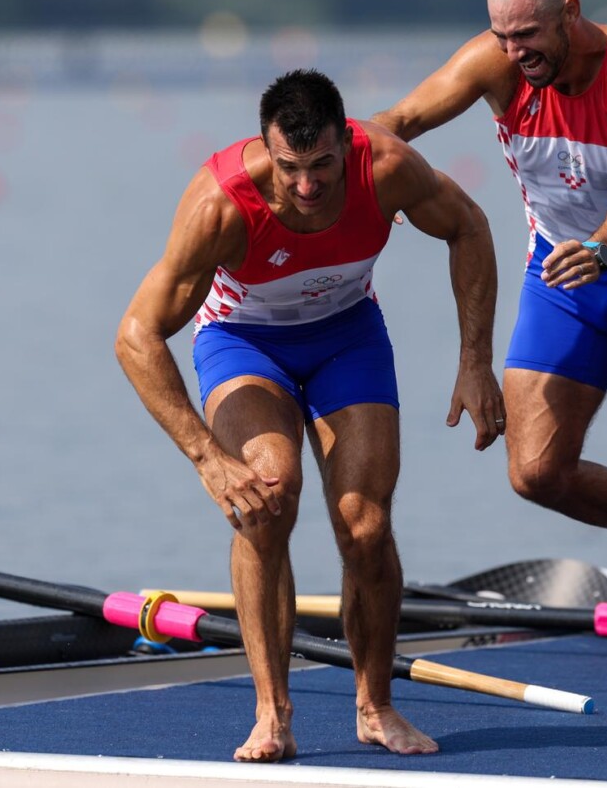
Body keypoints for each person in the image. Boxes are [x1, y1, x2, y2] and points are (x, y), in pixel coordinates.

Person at [114, 69, 503, 762]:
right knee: (266, 499)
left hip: (346, 336)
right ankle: (273, 715)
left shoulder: (384, 165)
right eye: (289, 168)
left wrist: (475, 361)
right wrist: (207, 458)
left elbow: (469, 226)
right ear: (267, 150)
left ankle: (375, 706)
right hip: (244, 343)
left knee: (366, 524)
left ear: (344, 143)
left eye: (322, 165)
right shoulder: (219, 204)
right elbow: (137, 335)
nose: (306, 186)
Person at [371, 0, 607, 716]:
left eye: (527, 36)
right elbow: (398, 123)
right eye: (502, 37)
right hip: (558, 277)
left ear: (570, 13)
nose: (514, 52)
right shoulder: (495, 63)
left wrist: (604, 248)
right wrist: (324, 170)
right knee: (535, 473)